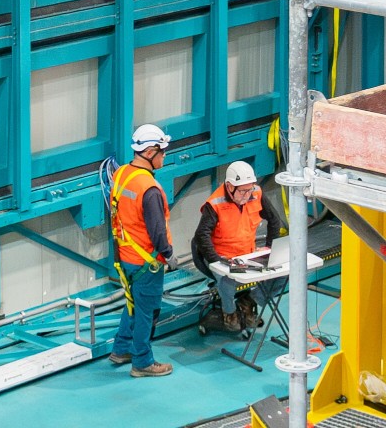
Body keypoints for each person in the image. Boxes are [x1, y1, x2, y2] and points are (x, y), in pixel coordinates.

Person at [109, 123, 175, 377]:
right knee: (147, 312)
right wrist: (168, 254)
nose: (164, 156)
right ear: (150, 152)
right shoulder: (149, 189)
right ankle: (143, 362)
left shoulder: (122, 174)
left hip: (125, 254)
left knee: (132, 304)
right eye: (162, 151)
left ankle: (121, 349)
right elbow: (157, 230)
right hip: (147, 260)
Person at [190, 160, 287, 333]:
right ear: (229, 186)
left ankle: (249, 301)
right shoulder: (215, 204)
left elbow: (274, 220)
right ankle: (230, 313)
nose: (247, 195)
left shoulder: (255, 193)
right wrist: (217, 262)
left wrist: (269, 249)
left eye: (249, 189)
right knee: (227, 282)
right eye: (242, 191)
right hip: (222, 256)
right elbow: (201, 235)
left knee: (283, 276)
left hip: (247, 255)